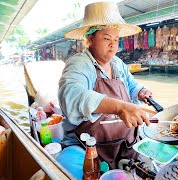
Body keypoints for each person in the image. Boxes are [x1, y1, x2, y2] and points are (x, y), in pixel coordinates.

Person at [57, 1, 153, 177]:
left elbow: (132, 85)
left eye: (116, 40)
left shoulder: (118, 64)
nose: (113, 45)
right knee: (65, 167)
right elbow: (71, 95)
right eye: (107, 39)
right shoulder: (79, 64)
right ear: (90, 39)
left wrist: (141, 91)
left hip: (125, 146)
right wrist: (119, 106)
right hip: (85, 147)